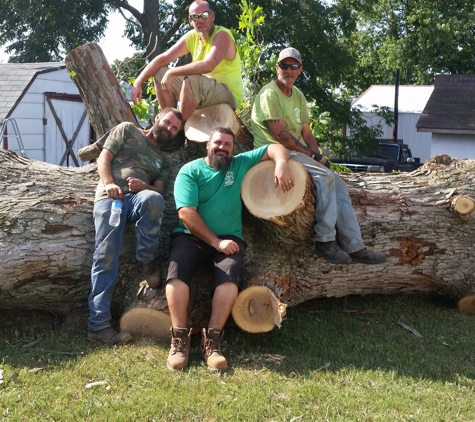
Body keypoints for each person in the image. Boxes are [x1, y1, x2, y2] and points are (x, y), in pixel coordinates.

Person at [165, 127, 294, 372]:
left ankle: (211, 343)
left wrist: (281, 164)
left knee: (228, 279)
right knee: (176, 274)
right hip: (190, 236)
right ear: (207, 145)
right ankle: (180, 340)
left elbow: (274, 148)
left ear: (234, 149)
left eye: (227, 144)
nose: (222, 147)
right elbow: (186, 214)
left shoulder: (239, 163)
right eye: (217, 143)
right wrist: (215, 243)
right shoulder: (190, 171)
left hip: (230, 238)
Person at [251, 47, 387, 265]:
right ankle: (324, 241)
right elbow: (282, 136)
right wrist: (313, 156)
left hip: (295, 152)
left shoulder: (298, 96)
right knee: (325, 178)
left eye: (293, 66)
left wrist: (318, 156)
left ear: (300, 69)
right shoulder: (269, 94)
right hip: (274, 153)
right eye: (284, 65)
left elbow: (306, 133)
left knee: (340, 185)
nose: (288, 70)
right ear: (277, 68)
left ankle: (355, 246)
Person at [87, 108, 184, 345]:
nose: (169, 129)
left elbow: (159, 189)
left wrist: (145, 186)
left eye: (174, 129)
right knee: (105, 258)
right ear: (158, 117)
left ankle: (147, 260)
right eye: (168, 122)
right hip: (111, 200)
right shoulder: (127, 130)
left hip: (137, 200)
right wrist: (109, 183)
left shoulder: (163, 161)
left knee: (154, 199)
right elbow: (104, 157)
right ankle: (98, 326)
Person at [130, 0, 243, 122]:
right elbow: (162, 59)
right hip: (203, 92)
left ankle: (178, 127)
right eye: (195, 17)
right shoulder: (192, 37)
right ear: (190, 21)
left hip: (228, 95)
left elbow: (208, 65)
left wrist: (172, 72)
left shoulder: (222, 35)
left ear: (212, 16)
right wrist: (138, 82)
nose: (200, 20)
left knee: (191, 79)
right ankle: (168, 121)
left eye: (204, 15)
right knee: (160, 73)